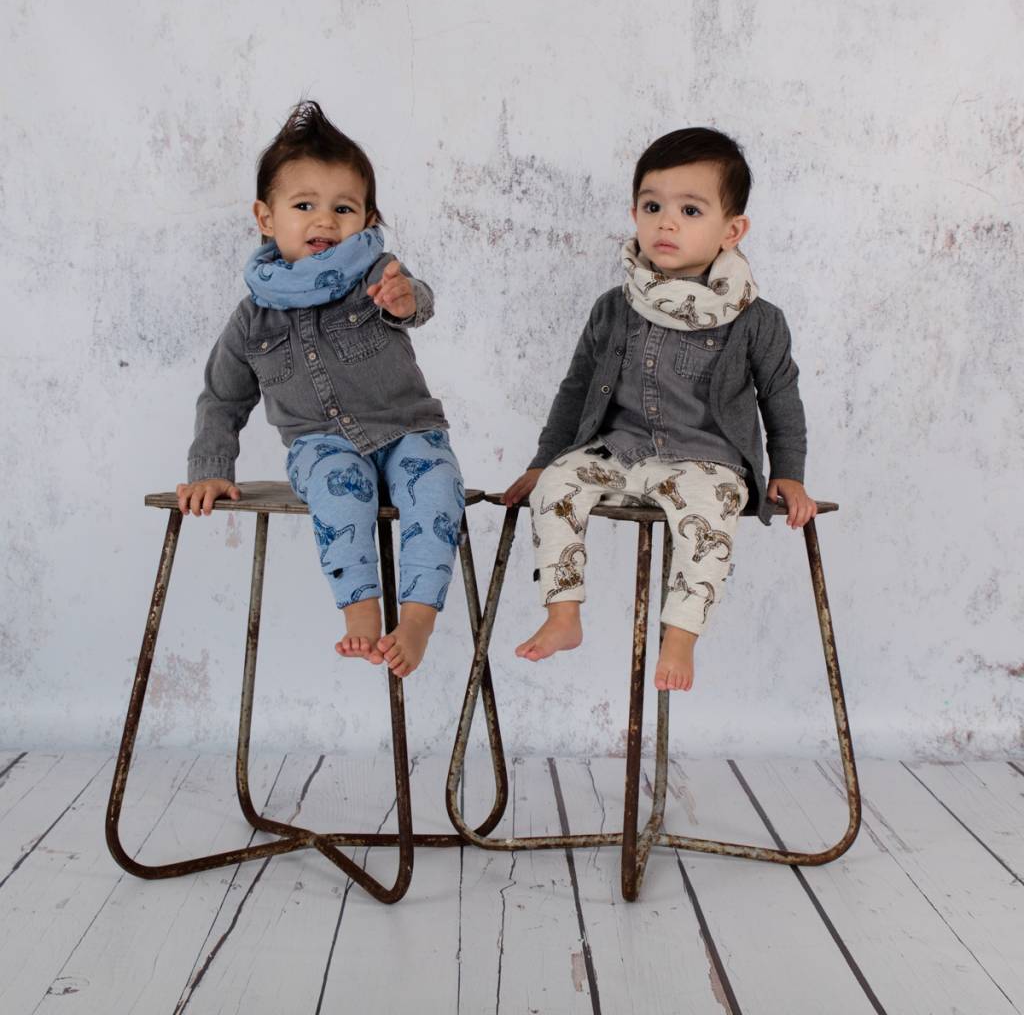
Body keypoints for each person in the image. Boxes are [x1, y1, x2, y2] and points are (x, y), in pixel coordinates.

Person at [503, 128, 816, 692]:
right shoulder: (614, 307)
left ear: (731, 230)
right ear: (634, 215)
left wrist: (788, 472)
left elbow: (780, 396)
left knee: (710, 519)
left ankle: (680, 635)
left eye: (690, 210)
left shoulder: (756, 319)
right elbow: (575, 390)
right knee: (556, 486)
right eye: (653, 207)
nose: (666, 223)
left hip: (706, 460)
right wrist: (544, 460)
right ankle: (563, 612)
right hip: (620, 451)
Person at [176, 101, 463, 678]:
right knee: (339, 491)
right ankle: (361, 613)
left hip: (407, 429)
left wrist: (407, 300)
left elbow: (418, 301)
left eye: (343, 208)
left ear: (367, 218)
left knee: (436, 487)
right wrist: (211, 467)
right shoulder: (252, 319)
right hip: (321, 443)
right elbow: (222, 397)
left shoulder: (378, 274)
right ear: (266, 217)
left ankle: (417, 619)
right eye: (304, 205)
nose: (325, 221)